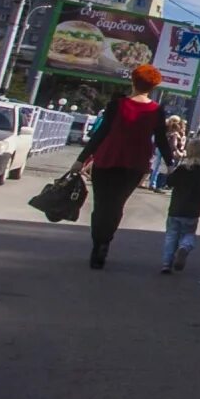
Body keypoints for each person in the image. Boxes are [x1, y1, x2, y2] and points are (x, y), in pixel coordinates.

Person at [70, 65, 179, 270]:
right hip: (135, 164)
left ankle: (98, 245)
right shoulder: (157, 110)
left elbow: (101, 133)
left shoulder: (117, 105)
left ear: (133, 81)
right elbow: (162, 140)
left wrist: (81, 159)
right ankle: (106, 242)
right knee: (117, 205)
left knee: (101, 205)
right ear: (154, 86)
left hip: (107, 159)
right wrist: (171, 164)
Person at [161, 136, 200, 273]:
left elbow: (170, 182)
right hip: (193, 210)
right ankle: (184, 248)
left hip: (176, 208)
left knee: (171, 235)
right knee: (189, 233)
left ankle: (166, 264)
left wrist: (170, 173)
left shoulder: (182, 169)